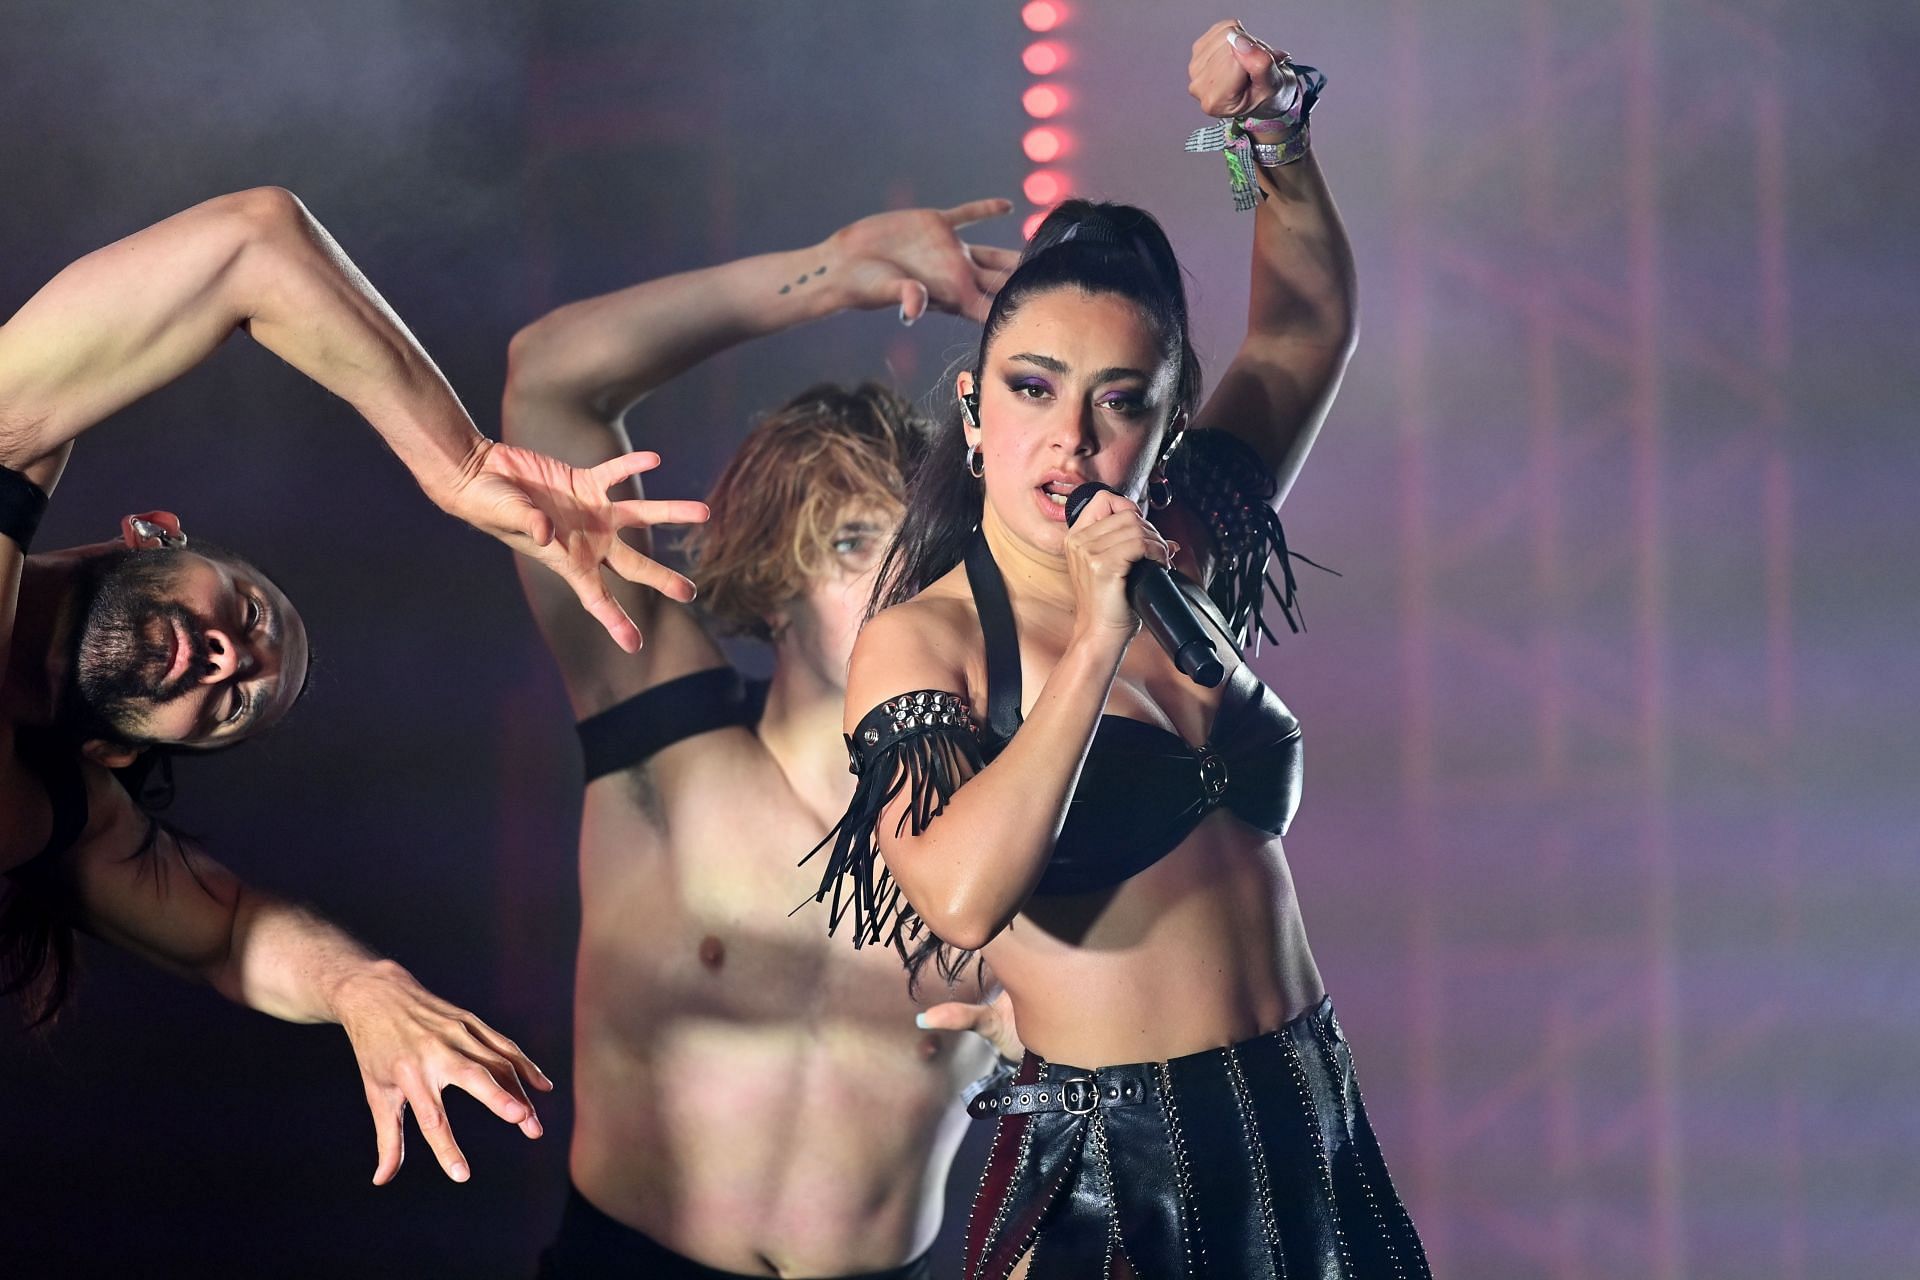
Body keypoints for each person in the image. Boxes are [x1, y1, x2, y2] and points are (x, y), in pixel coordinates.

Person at [808, 21, 1430, 1278]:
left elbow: (1304, 331)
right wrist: (1095, 636)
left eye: (1121, 400)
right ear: (976, 414)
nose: (1072, 437)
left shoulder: (1186, 540)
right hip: (1125, 1177)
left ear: (1164, 418)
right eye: (1033, 389)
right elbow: (961, 896)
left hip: (1312, 1118)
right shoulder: (928, 637)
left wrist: (1273, 135)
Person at [1, 186, 703, 1185]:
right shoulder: (8, 435)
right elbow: (255, 240)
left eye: (234, 698)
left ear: (124, 747)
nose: (226, 656)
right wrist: (457, 460)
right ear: (155, 530)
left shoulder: (46, 810)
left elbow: (230, 929)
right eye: (246, 615)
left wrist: (361, 986)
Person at [503, 198, 1026, 1278]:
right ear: (777, 580)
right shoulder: (665, 732)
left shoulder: (1007, 821)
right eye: (849, 543)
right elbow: (549, 379)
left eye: (918, 550)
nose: (894, 582)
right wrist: (827, 272)